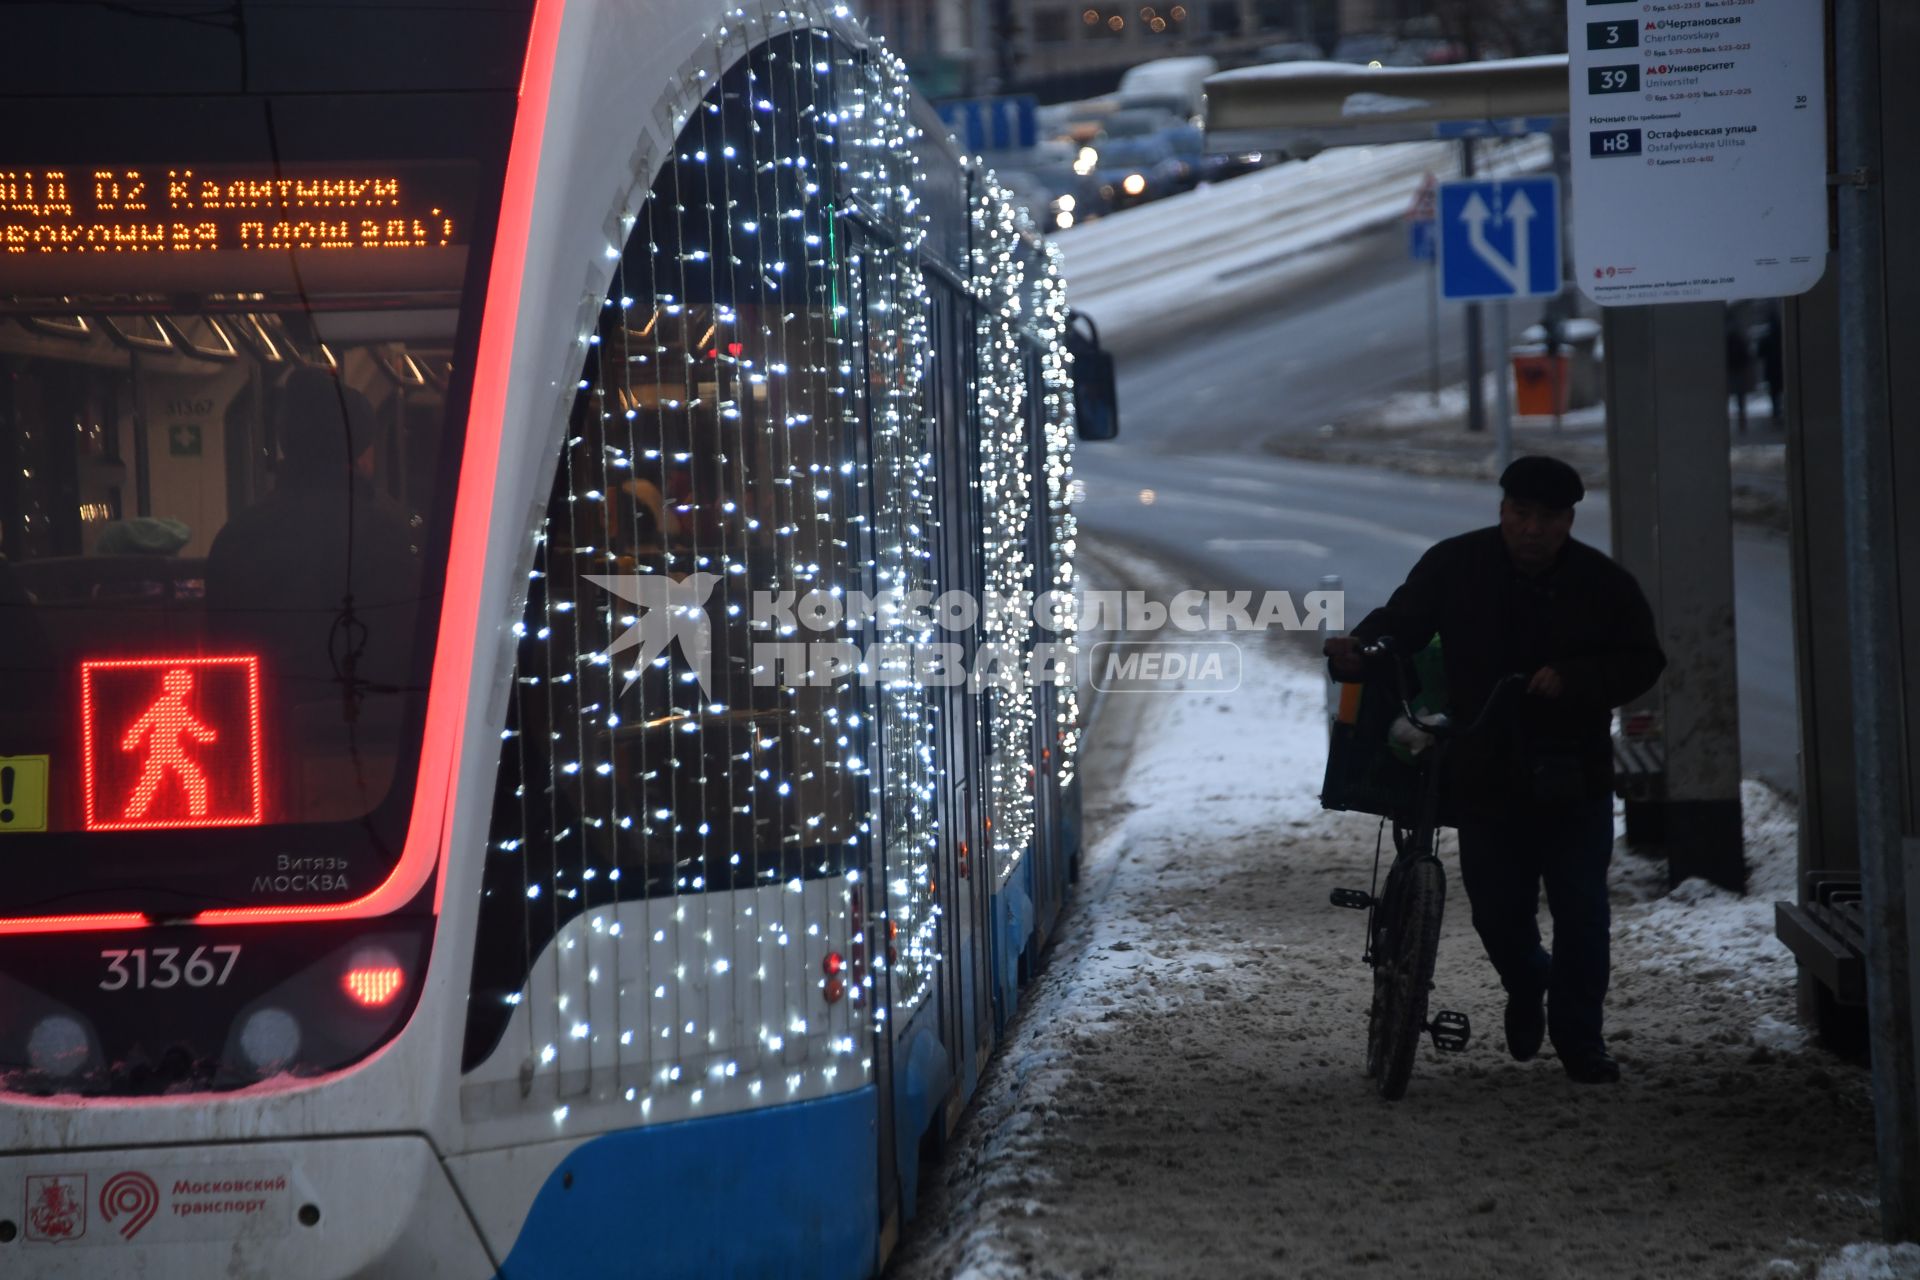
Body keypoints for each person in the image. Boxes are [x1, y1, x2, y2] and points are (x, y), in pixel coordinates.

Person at [1323, 456, 1666, 1084]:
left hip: (1574, 774)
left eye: (1548, 518)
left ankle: (1580, 1042)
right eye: (1521, 514)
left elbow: (1642, 661)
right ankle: (1528, 979)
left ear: (1567, 521)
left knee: (1582, 911)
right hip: (1485, 769)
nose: (1532, 529)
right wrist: (1362, 651)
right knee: (1498, 913)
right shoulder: (1456, 565)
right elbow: (1400, 624)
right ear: (1503, 511)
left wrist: (1578, 679)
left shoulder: (1603, 584)